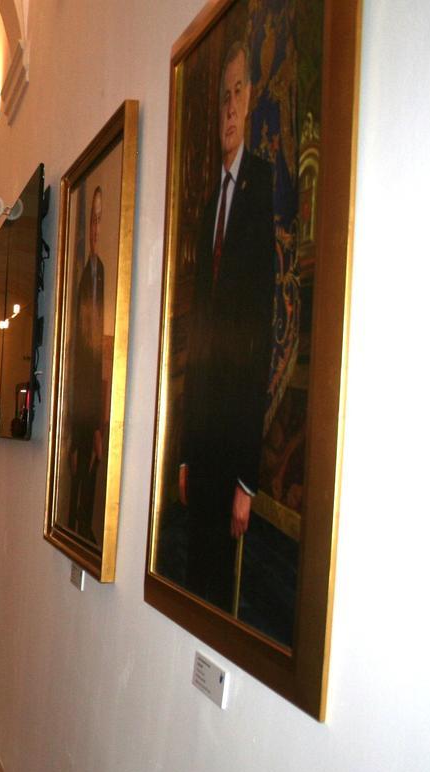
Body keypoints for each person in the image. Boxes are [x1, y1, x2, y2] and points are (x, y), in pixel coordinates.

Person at [179, 40, 276, 611]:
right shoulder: (206, 205)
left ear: (253, 98)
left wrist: (247, 478)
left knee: (218, 593)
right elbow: (197, 341)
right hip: (203, 446)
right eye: (223, 97)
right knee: (195, 580)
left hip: (234, 442)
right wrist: (187, 455)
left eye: (239, 91)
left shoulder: (259, 186)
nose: (230, 106)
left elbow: (257, 338)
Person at [65, 186, 106, 542]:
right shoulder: (80, 275)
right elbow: (80, 353)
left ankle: (82, 522)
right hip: (79, 397)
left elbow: (96, 354)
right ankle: (74, 520)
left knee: (92, 466)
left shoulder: (101, 271)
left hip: (91, 398)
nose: (95, 229)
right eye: (91, 221)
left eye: (98, 220)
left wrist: (97, 424)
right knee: (79, 467)